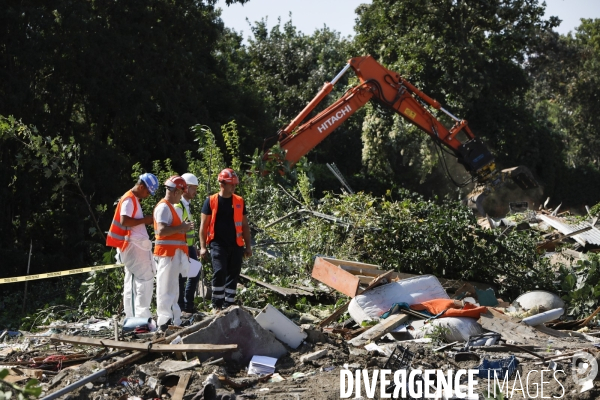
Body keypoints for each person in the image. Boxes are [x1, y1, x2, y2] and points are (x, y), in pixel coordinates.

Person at [106, 173, 159, 319]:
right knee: (144, 280)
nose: (148, 195)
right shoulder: (129, 200)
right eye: (148, 191)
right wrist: (146, 220)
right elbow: (125, 221)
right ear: (141, 186)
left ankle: (132, 318)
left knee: (132, 281)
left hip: (131, 246)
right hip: (133, 246)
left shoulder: (133, 199)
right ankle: (140, 319)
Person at [199, 168, 252, 311]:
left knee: (233, 273)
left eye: (235, 185)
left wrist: (248, 246)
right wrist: (203, 247)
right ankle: (217, 304)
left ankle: (229, 303)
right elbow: (203, 226)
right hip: (217, 243)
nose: (234, 187)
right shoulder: (210, 201)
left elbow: (245, 225)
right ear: (222, 184)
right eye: (232, 184)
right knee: (220, 271)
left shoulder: (239, 201)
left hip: (236, 244)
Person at [153, 176, 194, 330]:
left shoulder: (169, 207)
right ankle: (164, 321)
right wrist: (182, 228)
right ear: (176, 191)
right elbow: (162, 230)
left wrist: (181, 228)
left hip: (172, 254)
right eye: (181, 192)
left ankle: (174, 320)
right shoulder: (164, 207)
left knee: (172, 289)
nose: (181, 195)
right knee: (165, 288)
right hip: (167, 254)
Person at [176, 173, 200, 314]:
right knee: (183, 276)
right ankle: (184, 305)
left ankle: (186, 304)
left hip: (188, 245)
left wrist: (194, 245)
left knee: (193, 272)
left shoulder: (186, 205)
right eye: (193, 188)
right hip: (182, 246)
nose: (195, 192)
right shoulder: (179, 206)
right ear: (186, 188)